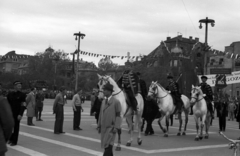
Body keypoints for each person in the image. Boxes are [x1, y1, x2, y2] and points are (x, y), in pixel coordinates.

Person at [97, 82, 122, 156]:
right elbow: (100, 114)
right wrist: (99, 125)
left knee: (108, 147)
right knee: (107, 147)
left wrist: (116, 127)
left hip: (111, 128)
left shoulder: (116, 102)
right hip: (103, 128)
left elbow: (118, 115)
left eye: (105, 90)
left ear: (110, 91)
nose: (103, 91)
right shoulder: (103, 102)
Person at [7, 81, 26, 146]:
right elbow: (8, 104)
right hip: (10, 113)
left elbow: (23, 105)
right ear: (14, 86)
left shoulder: (22, 95)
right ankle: (10, 139)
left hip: (17, 113)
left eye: (20, 86)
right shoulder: (10, 94)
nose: (20, 87)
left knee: (16, 127)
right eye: (18, 86)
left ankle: (14, 141)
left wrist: (20, 114)